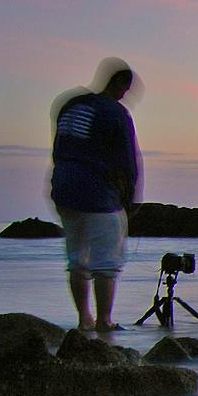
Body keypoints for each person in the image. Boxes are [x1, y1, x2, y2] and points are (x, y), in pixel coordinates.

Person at [48, 58, 143, 331]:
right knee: (106, 262)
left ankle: (83, 319)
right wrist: (131, 200)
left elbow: (58, 148)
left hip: (64, 188)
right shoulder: (115, 112)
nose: (126, 96)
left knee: (77, 259)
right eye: (126, 89)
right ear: (119, 84)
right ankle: (104, 320)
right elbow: (128, 161)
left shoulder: (70, 104)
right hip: (97, 194)